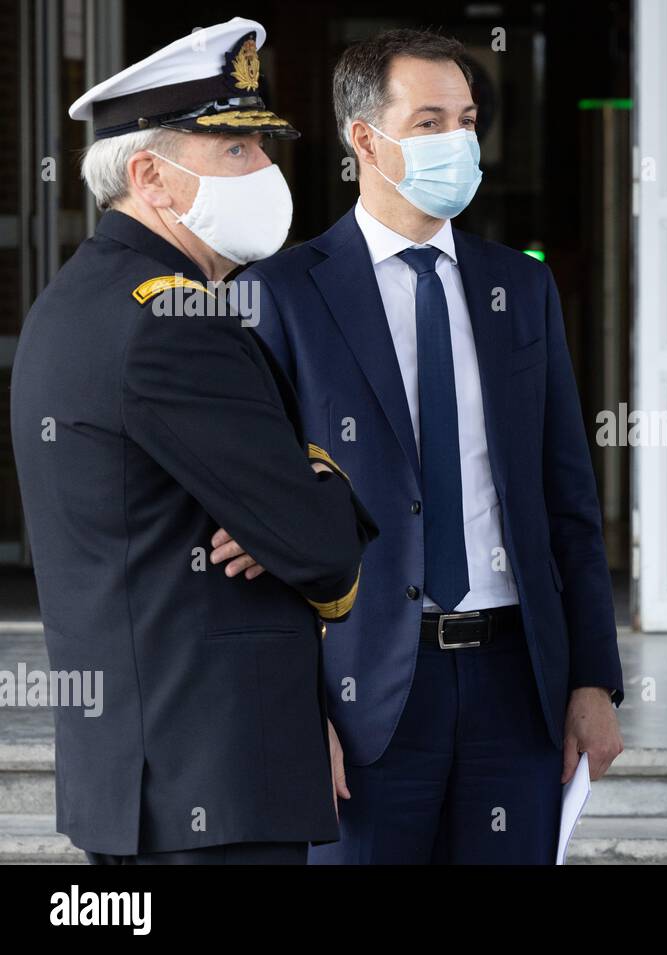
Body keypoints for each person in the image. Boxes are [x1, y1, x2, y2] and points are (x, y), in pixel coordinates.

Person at [241, 28, 623, 864]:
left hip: (514, 686)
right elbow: (262, 536)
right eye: (430, 122)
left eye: (469, 118)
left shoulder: (519, 285)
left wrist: (593, 679)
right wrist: (297, 714)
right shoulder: (281, 296)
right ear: (364, 140)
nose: (459, 141)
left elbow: (568, 500)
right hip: (362, 693)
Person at [10, 17, 378, 864]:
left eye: (264, 148)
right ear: (151, 176)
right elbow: (320, 549)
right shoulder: (177, 323)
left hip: (149, 781)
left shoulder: (77, 299)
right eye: (238, 153)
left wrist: (282, 507)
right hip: (212, 791)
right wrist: (318, 489)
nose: (269, 173)